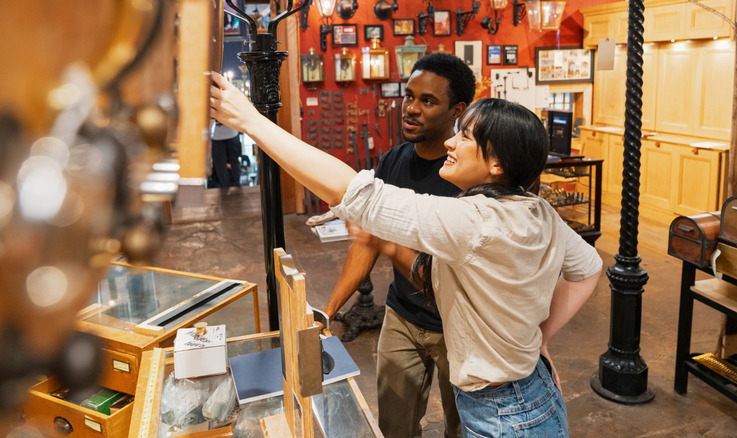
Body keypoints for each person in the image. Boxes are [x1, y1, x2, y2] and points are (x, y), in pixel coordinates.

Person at [210, 73, 603, 437]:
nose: (451, 142)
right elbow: (588, 268)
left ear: (497, 164)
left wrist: (251, 121)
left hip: (503, 415)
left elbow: (354, 194)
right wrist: (538, 339)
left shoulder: (475, 221)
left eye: (465, 137)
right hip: (534, 394)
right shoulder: (537, 210)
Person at [323, 53, 474, 438]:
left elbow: (442, 278)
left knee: (464, 428)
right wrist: (327, 312)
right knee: (394, 426)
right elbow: (367, 243)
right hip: (402, 316)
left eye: (428, 101)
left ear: (457, 110)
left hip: (458, 326)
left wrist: (389, 245)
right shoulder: (392, 162)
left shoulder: (468, 177)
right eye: (409, 96)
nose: (411, 108)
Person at [210, 121, 242, 187]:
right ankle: (225, 186)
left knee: (234, 161)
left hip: (232, 133)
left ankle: (237, 184)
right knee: (220, 163)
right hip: (217, 136)